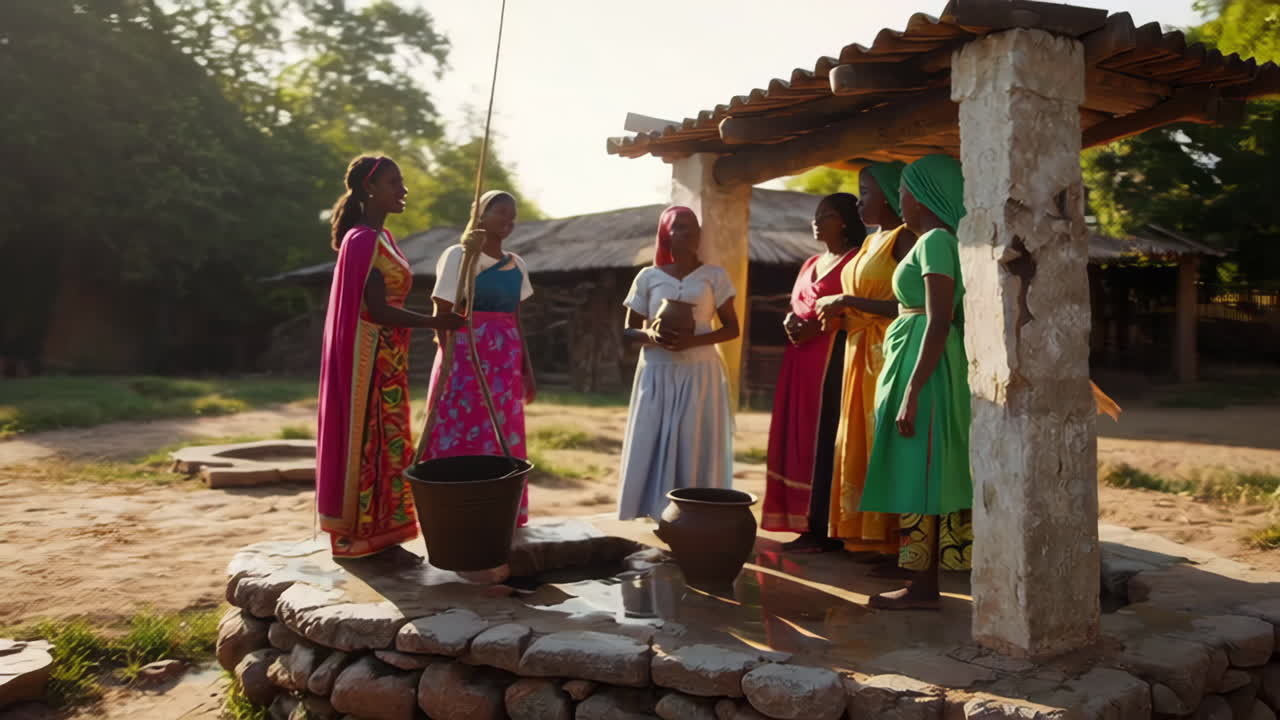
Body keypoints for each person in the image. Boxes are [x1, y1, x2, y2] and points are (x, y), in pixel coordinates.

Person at [316, 154, 465, 559]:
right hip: (370, 360)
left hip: (390, 360)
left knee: (390, 441)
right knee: (368, 441)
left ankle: (382, 529)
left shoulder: (385, 240)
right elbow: (374, 310)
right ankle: (357, 532)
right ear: (370, 187)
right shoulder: (362, 240)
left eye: (402, 182)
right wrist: (436, 323)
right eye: (393, 183)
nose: (403, 191)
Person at [861, 154, 972, 609]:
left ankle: (924, 587)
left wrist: (911, 391)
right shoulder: (933, 241)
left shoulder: (935, 242)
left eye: (904, 189)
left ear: (921, 193)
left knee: (924, 470)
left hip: (924, 367)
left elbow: (940, 318)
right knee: (916, 472)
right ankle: (920, 582)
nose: (899, 199)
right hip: (912, 358)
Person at [814, 163, 919, 562]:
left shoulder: (905, 240)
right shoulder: (870, 244)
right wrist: (841, 317)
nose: (860, 202)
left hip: (888, 354)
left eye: (867, 193)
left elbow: (914, 305)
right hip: (858, 354)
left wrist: (848, 301)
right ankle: (870, 537)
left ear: (892, 195)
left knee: (884, 445)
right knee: (859, 444)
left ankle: (900, 546)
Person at [616, 206, 739, 521]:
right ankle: (653, 509)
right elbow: (630, 331)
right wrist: (653, 337)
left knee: (693, 438)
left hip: (700, 371)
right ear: (666, 234)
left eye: (694, 227)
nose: (690, 233)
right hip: (657, 370)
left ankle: (695, 511)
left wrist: (692, 341)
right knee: (653, 435)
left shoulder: (715, 276)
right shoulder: (648, 276)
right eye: (681, 226)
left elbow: (731, 328)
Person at [423, 190, 537, 527]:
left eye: (512, 214)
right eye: (500, 211)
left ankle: (499, 514)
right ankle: (455, 513)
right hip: (464, 356)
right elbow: (441, 313)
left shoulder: (517, 265)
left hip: (504, 361)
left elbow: (516, 319)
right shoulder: (460, 256)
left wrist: (526, 370)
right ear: (480, 214)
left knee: (500, 434)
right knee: (460, 431)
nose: (508, 219)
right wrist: (449, 361)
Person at [762, 193, 864, 552]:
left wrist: (821, 329)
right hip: (799, 360)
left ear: (847, 221)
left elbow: (859, 311)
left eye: (828, 215)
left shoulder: (856, 261)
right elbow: (797, 305)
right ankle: (803, 523)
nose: (817, 220)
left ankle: (824, 527)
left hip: (830, 361)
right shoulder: (810, 263)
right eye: (817, 214)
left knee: (824, 439)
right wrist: (791, 322)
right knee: (798, 437)